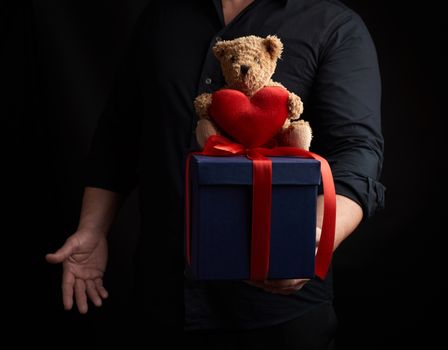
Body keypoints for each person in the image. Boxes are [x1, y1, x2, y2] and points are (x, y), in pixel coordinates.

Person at [46, 0, 385, 348]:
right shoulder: (162, 16)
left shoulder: (334, 24)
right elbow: (119, 135)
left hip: (277, 317)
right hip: (161, 304)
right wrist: (92, 229)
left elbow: (356, 154)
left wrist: (311, 242)